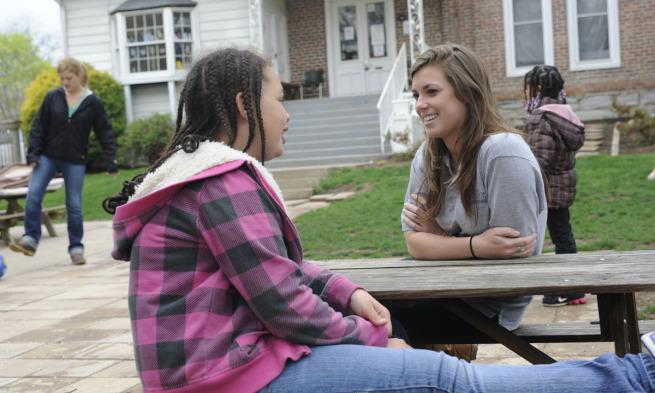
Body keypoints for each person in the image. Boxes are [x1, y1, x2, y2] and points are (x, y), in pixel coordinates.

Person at [103, 46, 655, 393]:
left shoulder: (202, 174)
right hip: (221, 376)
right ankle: (637, 373)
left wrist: (344, 289)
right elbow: (282, 302)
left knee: (418, 351)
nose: (289, 112)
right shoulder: (220, 181)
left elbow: (279, 269)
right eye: (280, 98)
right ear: (247, 106)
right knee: (442, 377)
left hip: (215, 366)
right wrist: (368, 337)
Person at [399, 44, 547, 359]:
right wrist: (474, 245)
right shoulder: (428, 156)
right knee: (357, 312)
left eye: (431, 91)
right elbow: (415, 244)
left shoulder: (502, 151)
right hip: (440, 288)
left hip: (490, 304)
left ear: (467, 93)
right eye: (416, 95)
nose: (420, 105)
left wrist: (441, 240)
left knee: (378, 323)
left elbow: (512, 252)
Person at [9, 57, 119, 265]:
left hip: (75, 159)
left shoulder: (92, 101)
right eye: (62, 78)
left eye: (69, 78)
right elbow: (38, 126)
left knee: (74, 205)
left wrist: (111, 162)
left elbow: (105, 132)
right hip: (47, 156)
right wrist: (33, 154)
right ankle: (30, 239)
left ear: (79, 75)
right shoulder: (53, 97)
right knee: (33, 196)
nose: (65, 82)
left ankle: (76, 248)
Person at [524, 65, 586, 307]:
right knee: (563, 236)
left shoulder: (541, 117)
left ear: (538, 89)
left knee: (535, 239)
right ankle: (572, 288)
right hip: (563, 186)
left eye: (528, 87)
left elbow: (538, 161)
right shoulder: (565, 114)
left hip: (546, 190)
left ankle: (568, 289)